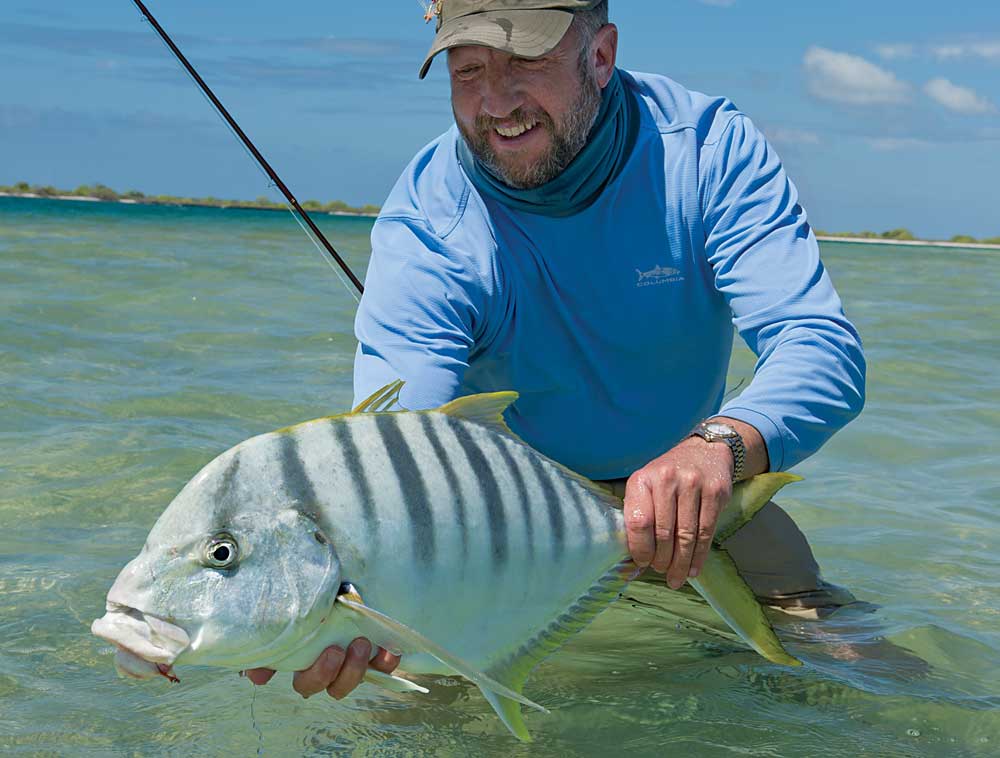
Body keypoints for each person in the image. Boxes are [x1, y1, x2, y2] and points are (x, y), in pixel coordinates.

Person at [247, 0, 866, 699]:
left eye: (527, 64)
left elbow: (821, 350)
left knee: (857, 677)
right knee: (412, 722)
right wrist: (322, 609)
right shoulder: (429, 222)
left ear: (600, 56)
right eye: (469, 69)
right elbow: (399, 447)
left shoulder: (706, 151)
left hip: (695, 498)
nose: (496, 102)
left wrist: (720, 445)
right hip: (500, 531)